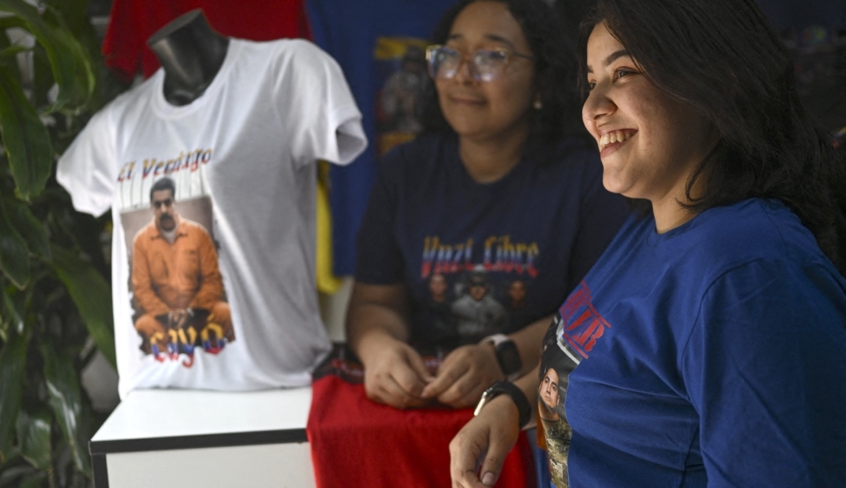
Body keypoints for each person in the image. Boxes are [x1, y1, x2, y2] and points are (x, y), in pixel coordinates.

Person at [449, 0, 846, 486]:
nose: (592, 109)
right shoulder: (652, 224)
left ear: (718, 81)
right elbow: (604, 367)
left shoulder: (747, 275)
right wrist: (510, 402)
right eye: (592, 82)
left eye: (624, 73)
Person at [348, 0, 629, 411]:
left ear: (541, 81)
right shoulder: (404, 171)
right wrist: (379, 349)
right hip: (425, 398)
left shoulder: (588, 178)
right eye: (450, 55)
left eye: (490, 57)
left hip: (541, 401)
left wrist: (503, 356)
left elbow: (601, 313)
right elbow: (374, 303)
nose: (462, 75)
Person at [132, 177, 233, 350]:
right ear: (152, 208)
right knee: (144, 325)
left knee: (225, 313)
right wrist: (168, 314)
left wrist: (192, 311)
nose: (164, 209)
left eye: (167, 203)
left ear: (175, 202)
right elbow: (142, 288)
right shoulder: (141, 241)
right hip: (164, 321)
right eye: (158, 205)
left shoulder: (198, 234)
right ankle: (171, 366)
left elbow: (212, 279)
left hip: (200, 313)